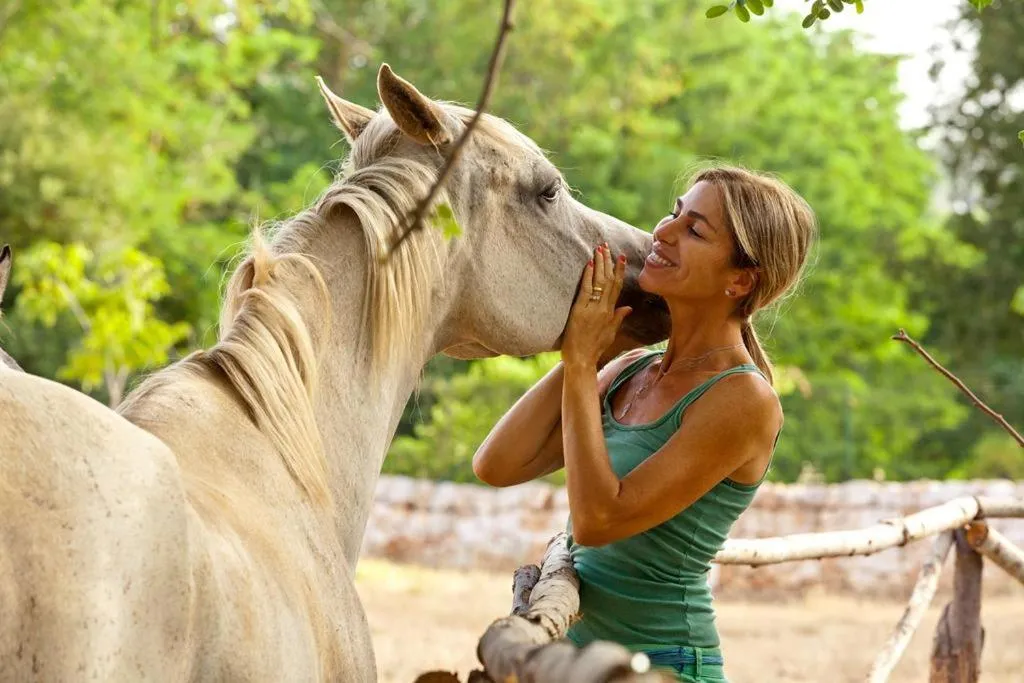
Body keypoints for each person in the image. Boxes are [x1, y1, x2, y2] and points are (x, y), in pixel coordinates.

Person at [473, 164, 817, 682]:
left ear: (741, 279)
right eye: (675, 213)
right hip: (578, 660)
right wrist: (591, 351)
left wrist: (584, 361)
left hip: (664, 666)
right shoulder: (629, 370)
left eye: (694, 229)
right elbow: (496, 464)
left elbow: (597, 522)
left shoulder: (744, 399)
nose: (663, 232)